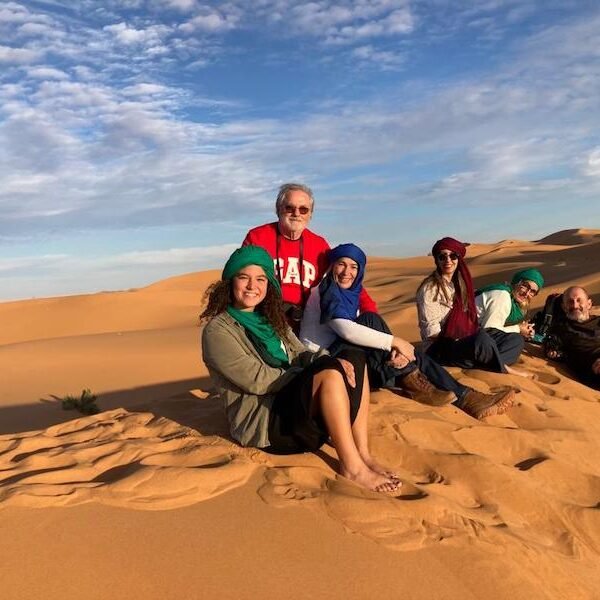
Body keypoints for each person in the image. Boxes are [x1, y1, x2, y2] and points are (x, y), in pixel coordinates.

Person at [201, 245, 399, 494]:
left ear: (269, 284)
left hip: (295, 409)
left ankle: (362, 453)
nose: (252, 286)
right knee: (328, 372)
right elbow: (257, 380)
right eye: (244, 277)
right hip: (268, 425)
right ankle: (352, 467)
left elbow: (301, 353)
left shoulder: (271, 319)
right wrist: (313, 372)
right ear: (230, 282)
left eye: (261, 279)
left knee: (353, 356)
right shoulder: (218, 331)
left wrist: (329, 360)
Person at [301, 243, 515, 419]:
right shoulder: (326, 291)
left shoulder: (349, 293)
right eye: (341, 264)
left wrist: (398, 348)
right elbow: (346, 330)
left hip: (350, 355)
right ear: (332, 266)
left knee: (413, 354)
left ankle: (467, 397)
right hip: (325, 360)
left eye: (354, 267)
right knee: (371, 321)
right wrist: (394, 342)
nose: (347, 272)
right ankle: (411, 378)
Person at [243, 183, 376, 331]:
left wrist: (370, 313)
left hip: (307, 325)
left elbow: (343, 278)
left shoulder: (319, 245)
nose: (296, 214)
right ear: (278, 210)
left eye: (303, 209)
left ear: (310, 214)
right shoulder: (258, 238)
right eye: (289, 208)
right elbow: (240, 281)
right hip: (264, 321)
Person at [417, 237, 525, 374]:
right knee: (481, 340)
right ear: (437, 260)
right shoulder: (430, 289)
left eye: (453, 256)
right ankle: (502, 367)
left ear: (459, 258)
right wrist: (462, 338)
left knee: (515, 340)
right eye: (442, 257)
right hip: (440, 347)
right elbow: (431, 333)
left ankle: (484, 362)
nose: (448, 260)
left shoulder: (460, 284)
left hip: (464, 340)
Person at [474, 268, 545, 377]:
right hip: (467, 337)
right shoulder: (502, 296)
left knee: (514, 340)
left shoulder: (512, 299)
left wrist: (523, 329)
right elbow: (489, 330)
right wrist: (518, 329)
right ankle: (489, 364)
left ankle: (491, 362)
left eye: (532, 291)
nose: (527, 293)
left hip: (477, 336)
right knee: (516, 341)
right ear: (517, 282)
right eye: (525, 286)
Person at [544, 286, 600, 389]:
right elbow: (551, 348)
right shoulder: (561, 329)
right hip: (593, 369)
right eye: (570, 302)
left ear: (589, 304)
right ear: (564, 307)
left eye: (579, 300)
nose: (575, 305)